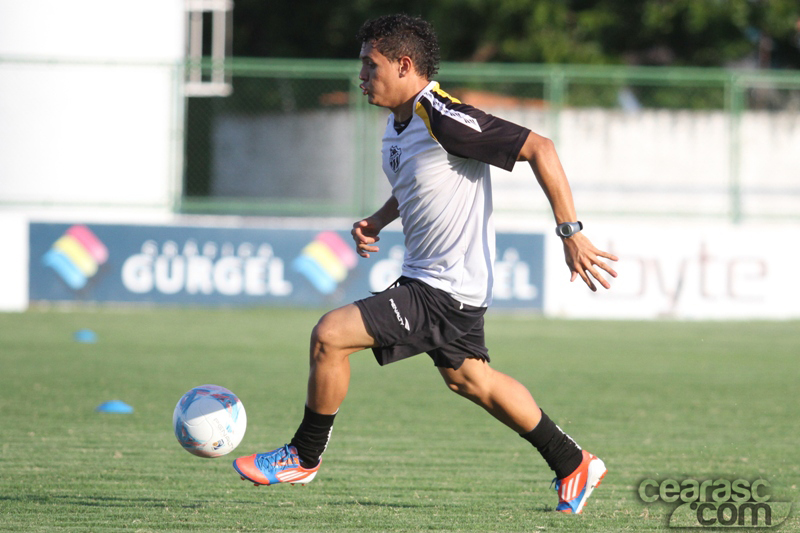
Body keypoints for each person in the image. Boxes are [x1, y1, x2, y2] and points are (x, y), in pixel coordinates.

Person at [233, 13, 618, 514]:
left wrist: (571, 232)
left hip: (444, 287)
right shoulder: (399, 124)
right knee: (470, 379)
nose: (361, 76)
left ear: (404, 65)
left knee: (330, 335)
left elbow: (540, 148)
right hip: (437, 280)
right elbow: (419, 183)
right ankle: (573, 463)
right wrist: (378, 219)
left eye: (370, 65)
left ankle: (302, 457)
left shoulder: (442, 115)